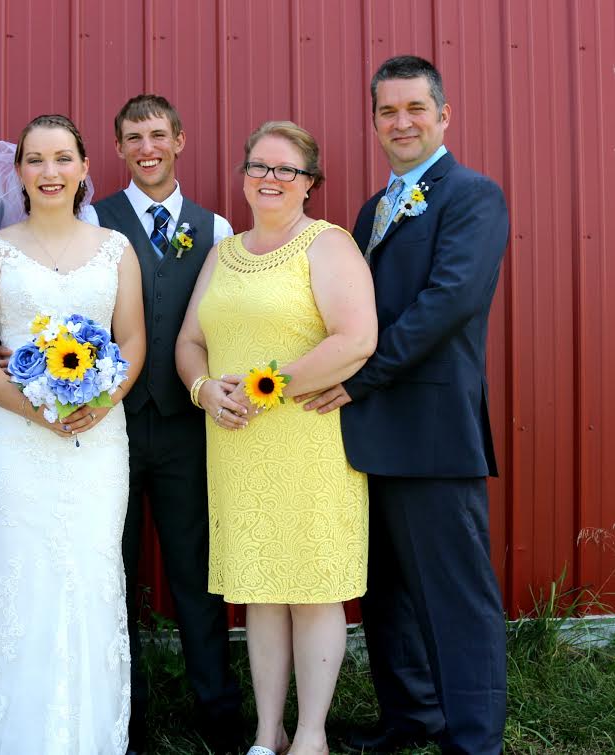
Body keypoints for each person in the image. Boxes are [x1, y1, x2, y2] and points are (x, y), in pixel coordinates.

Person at [301, 55, 509, 755]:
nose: (401, 122)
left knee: (454, 596)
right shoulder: (370, 210)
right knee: (385, 591)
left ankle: (473, 740)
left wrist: (360, 377)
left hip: (429, 428)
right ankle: (412, 716)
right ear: (374, 122)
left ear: (443, 115)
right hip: (369, 436)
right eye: (387, 111)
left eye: (414, 108)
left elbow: (446, 304)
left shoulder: (471, 196)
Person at [175, 121, 377, 755]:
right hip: (237, 444)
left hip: (308, 439)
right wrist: (205, 388)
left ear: (310, 183)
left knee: (313, 590)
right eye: (258, 166)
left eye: (286, 170)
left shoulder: (328, 244)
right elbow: (190, 341)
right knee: (259, 591)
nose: (269, 178)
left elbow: (355, 338)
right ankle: (268, 732)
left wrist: (267, 386)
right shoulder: (222, 254)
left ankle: (312, 735)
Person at [0, 114, 146, 754]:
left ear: (86, 168)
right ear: (19, 172)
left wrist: (103, 399)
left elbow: (134, 339)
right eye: (36, 160)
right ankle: (7, 733)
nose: (50, 172)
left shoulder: (115, 248)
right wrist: (32, 410)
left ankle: (86, 734)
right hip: (13, 440)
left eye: (63, 158)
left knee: (88, 573)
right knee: (17, 571)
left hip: (97, 440)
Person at [88, 94, 244, 755]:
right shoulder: (91, 222)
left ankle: (216, 708)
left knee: (194, 571)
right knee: (110, 574)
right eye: (133, 137)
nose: (147, 146)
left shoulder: (215, 230)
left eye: (158, 134)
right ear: (118, 149)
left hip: (185, 427)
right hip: (108, 427)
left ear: (179, 140)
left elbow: (226, 326)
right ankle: (122, 715)